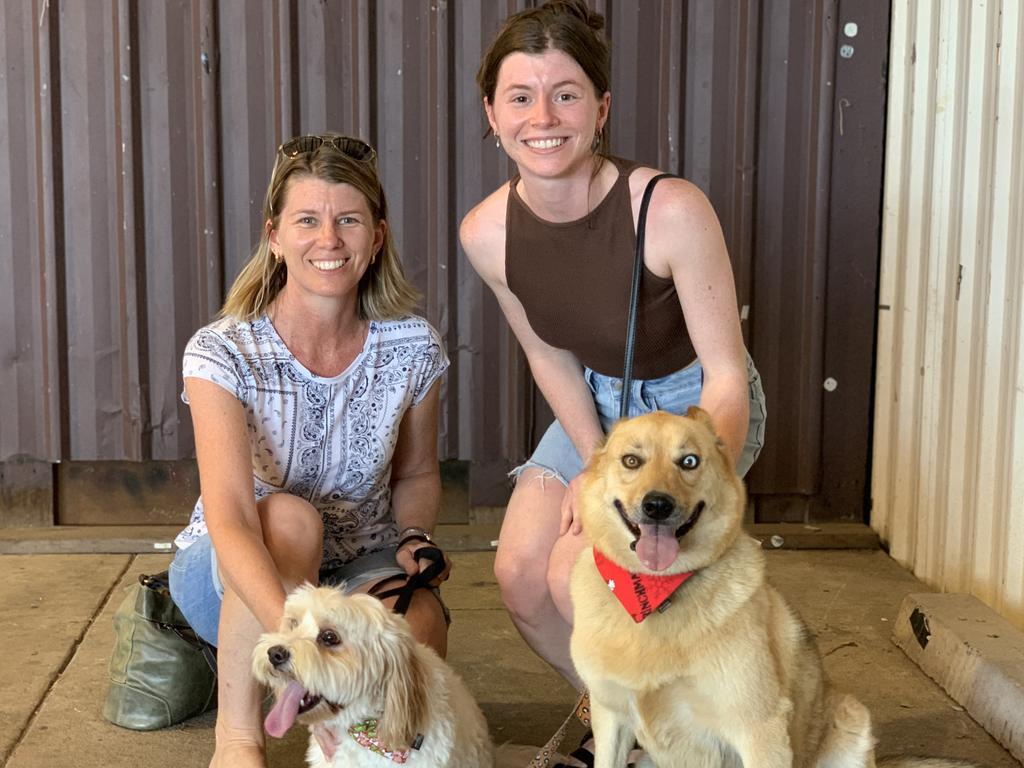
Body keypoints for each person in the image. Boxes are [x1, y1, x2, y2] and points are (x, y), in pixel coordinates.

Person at [459, 2, 766, 763]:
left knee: (579, 576)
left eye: (565, 94)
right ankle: (627, 728)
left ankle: (678, 736)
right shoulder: (486, 232)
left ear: (599, 109)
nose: (543, 117)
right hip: (596, 399)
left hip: (689, 404)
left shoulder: (670, 209)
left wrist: (693, 480)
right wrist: (597, 464)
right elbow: (549, 358)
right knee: (523, 574)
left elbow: (726, 373)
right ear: (490, 111)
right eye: (520, 97)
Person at [168, 132, 450, 768]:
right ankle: (239, 742)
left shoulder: (413, 347)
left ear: (376, 236)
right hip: (245, 564)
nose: (330, 240)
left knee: (415, 637)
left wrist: (412, 535)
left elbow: (419, 472)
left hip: (360, 560)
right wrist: (304, 646)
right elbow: (232, 518)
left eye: (349, 220)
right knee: (291, 518)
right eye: (308, 220)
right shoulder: (222, 352)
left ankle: (367, 752)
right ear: (275, 235)